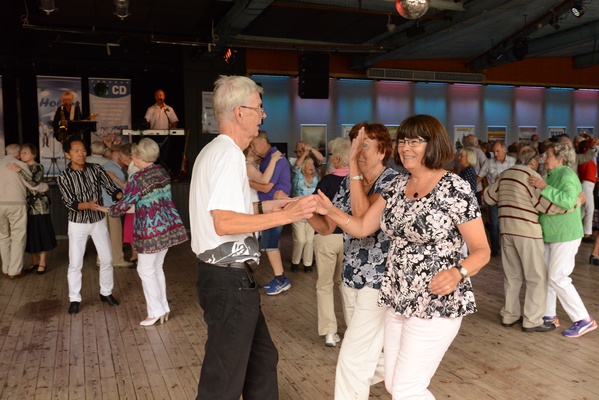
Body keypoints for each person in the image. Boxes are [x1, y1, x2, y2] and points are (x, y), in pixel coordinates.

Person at [314, 115, 490, 399]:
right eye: (403, 141)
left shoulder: (454, 187)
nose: (406, 148)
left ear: (433, 144)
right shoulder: (396, 186)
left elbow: (482, 250)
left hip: (434, 301)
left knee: (407, 388)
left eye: (414, 142)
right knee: (394, 384)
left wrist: (458, 272)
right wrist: (328, 209)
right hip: (397, 298)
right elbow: (361, 227)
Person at [189, 75, 316, 400]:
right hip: (227, 281)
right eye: (258, 108)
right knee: (223, 380)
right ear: (239, 112)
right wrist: (288, 217)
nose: (263, 115)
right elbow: (224, 222)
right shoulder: (229, 155)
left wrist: (277, 205)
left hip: (229, 280)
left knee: (261, 361)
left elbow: (233, 211)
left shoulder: (215, 151)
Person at [308, 122, 399, 399]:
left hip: (380, 281)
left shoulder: (394, 182)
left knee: (352, 356)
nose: (357, 152)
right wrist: (305, 211)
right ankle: (406, 372)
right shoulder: (349, 183)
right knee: (364, 353)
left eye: (364, 146)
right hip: (351, 277)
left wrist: (353, 172)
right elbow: (327, 227)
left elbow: (362, 220)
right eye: (354, 146)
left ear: (383, 151)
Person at [484, 146, 581, 332]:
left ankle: (509, 316)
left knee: (512, 277)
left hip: (506, 231)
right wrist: (576, 203)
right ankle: (533, 320)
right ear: (533, 161)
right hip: (527, 232)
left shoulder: (505, 174)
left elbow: (488, 197)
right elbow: (547, 207)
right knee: (536, 277)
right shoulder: (531, 177)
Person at [98, 138, 188, 326]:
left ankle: (155, 312)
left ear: (139, 156)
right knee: (156, 268)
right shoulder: (161, 171)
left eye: (133, 154)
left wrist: (104, 209)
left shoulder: (138, 177)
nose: (132, 157)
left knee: (145, 269)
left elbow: (124, 205)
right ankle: (162, 308)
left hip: (150, 229)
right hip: (167, 225)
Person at [529, 142, 597, 338]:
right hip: (552, 233)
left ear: (560, 158)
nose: (544, 158)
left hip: (566, 234)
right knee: (548, 276)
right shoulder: (551, 174)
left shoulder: (566, 174)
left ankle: (584, 319)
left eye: (548, 155)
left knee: (558, 277)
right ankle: (549, 315)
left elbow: (567, 201)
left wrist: (544, 187)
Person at [57, 135, 123, 315]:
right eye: (76, 151)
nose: (81, 154)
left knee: (107, 259)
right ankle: (75, 299)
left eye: (83, 150)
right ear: (68, 154)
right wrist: (86, 205)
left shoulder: (95, 169)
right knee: (75, 263)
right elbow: (70, 203)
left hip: (98, 221)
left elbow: (111, 188)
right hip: (77, 224)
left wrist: (125, 198)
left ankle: (106, 292)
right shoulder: (64, 177)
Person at [309, 136, 351, 347]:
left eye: (332, 155)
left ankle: (329, 332)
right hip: (351, 238)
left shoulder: (325, 182)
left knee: (324, 285)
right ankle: (353, 330)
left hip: (326, 237)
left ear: (337, 160)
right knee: (347, 285)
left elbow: (314, 208)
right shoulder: (358, 182)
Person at [249, 131, 293, 295]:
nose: (252, 148)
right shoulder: (269, 158)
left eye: (254, 144)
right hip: (268, 208)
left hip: (273, 209)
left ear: (263, 140)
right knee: (268, 245)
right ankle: (279, 278)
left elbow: (267, 187)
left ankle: (281, 280)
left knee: (270, 245)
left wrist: (246, 182)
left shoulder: (276, 158)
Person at [7, 143, 57, 275]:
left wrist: (19, 171)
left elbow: (34, 182)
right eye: (21, 153)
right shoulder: (20, 166)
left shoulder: (37, 166)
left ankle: (42, 262)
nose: (22, 155)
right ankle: (34, 261)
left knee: (41, 233)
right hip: (26, 205)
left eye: (25, 153)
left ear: (33, 154)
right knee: (30, 234)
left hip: (39, 206)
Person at [0, 144, 38, 278]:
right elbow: (32, 184)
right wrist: (44, 187)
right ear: (17, 153)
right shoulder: (20, 165)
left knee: (3, 237)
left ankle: (6, 268)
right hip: (16, 204)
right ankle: (14, 271)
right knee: (18, 237)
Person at [477, 140, 516, 257]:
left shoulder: (513, 162)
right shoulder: (489, 163)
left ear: (505, 150)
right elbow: (479, 177)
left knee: (509, 224)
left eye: (498, 151)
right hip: (494, 198)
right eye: (494, 151)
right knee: (494, 224)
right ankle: (495, 249)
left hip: (509, 198)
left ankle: (508, 248)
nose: (495, 154)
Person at [98, 145, 133, 268]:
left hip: (101, 205)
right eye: (123, 157)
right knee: (115, 235)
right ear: (119, 158)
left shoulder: (105, 166)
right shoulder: (117, 171)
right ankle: (117, 259)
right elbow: (123, 192)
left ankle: (100, 259)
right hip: (112, 206)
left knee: (104, 235)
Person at [290, 156, 320, 272]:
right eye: (308, 164)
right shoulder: (298, 176)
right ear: (303, 166)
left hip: (312, 213)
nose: (311, 166)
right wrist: (306, 152)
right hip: (297, 212)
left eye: (312, 164)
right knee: (300, 240)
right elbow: (296, 166)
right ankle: (295, 262)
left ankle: (307, 264)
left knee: (310, 240)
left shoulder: (316, 179)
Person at [575, 134, 597, 243]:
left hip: (587, 184)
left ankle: (575, 228)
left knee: (583, 210)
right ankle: (587, 234)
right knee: (589, 209)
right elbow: (592, 142)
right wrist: (587, 136)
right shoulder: (584, 156)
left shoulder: (585, 157)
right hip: (586, 184)